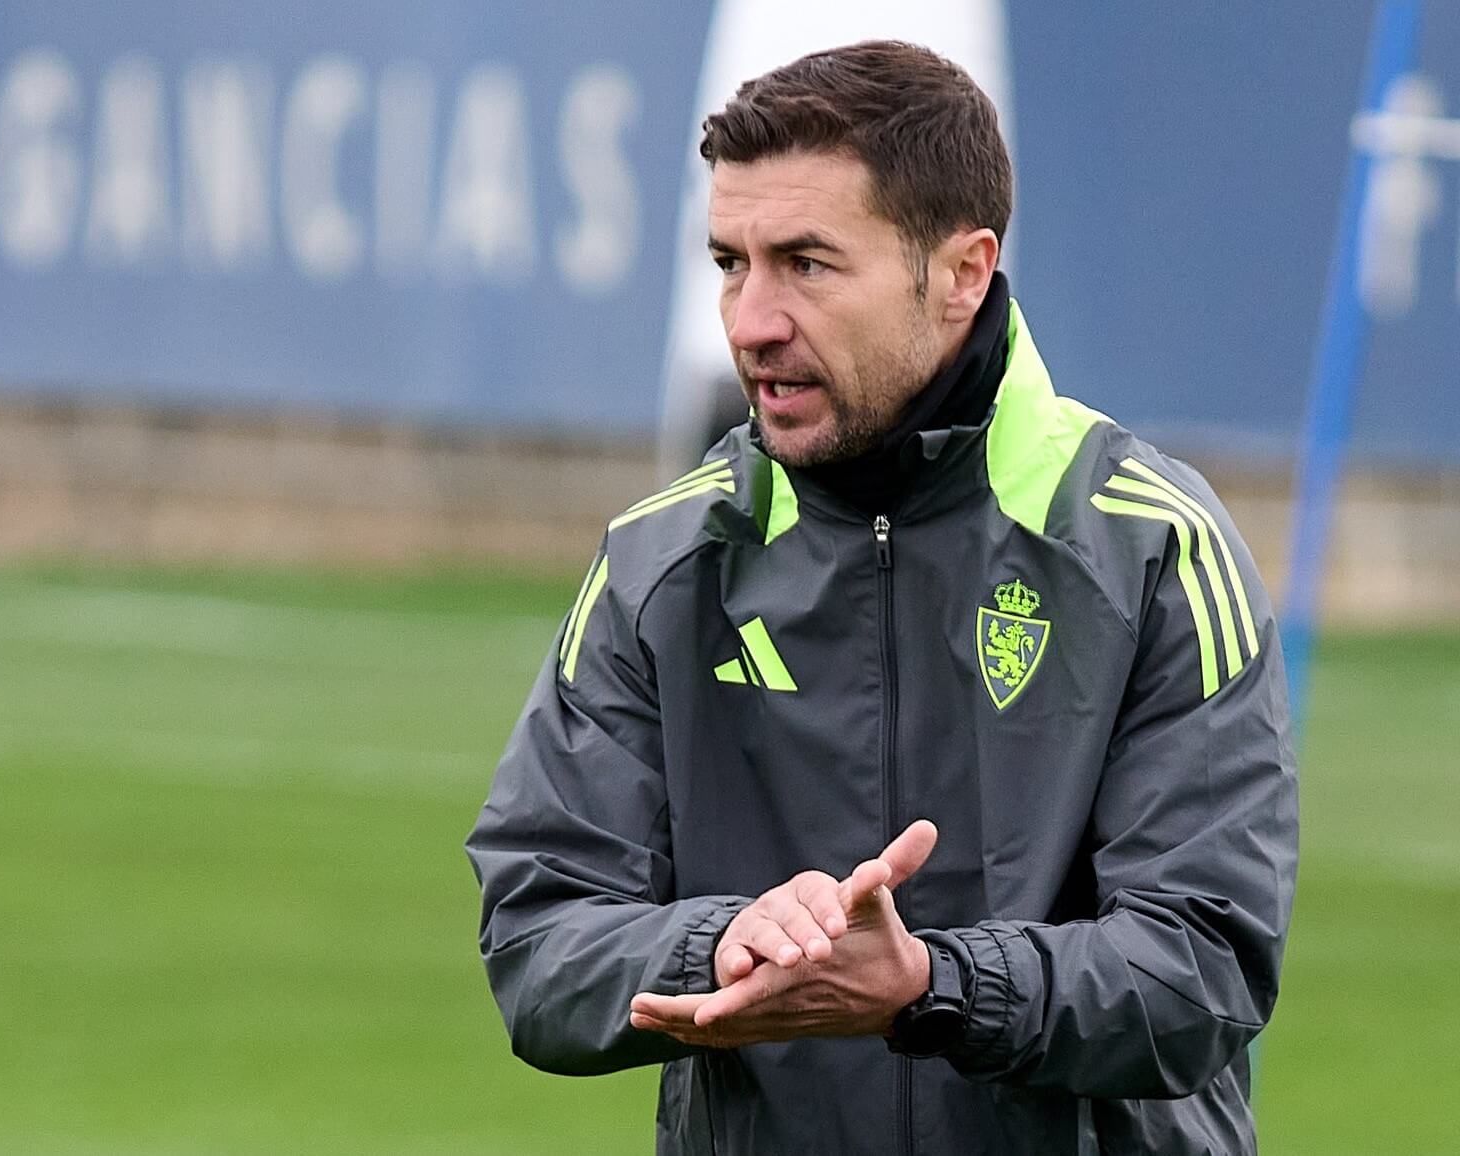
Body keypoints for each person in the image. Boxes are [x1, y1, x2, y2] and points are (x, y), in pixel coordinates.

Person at [467, 40, 1297, 1155]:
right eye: (729, 262)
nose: (750, 319)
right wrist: (723, 944)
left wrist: (929, 984)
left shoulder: (1149, 547)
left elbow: (1202, 969)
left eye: (805, 262)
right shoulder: (663, 560)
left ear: (962, 271)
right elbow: (537, 929)